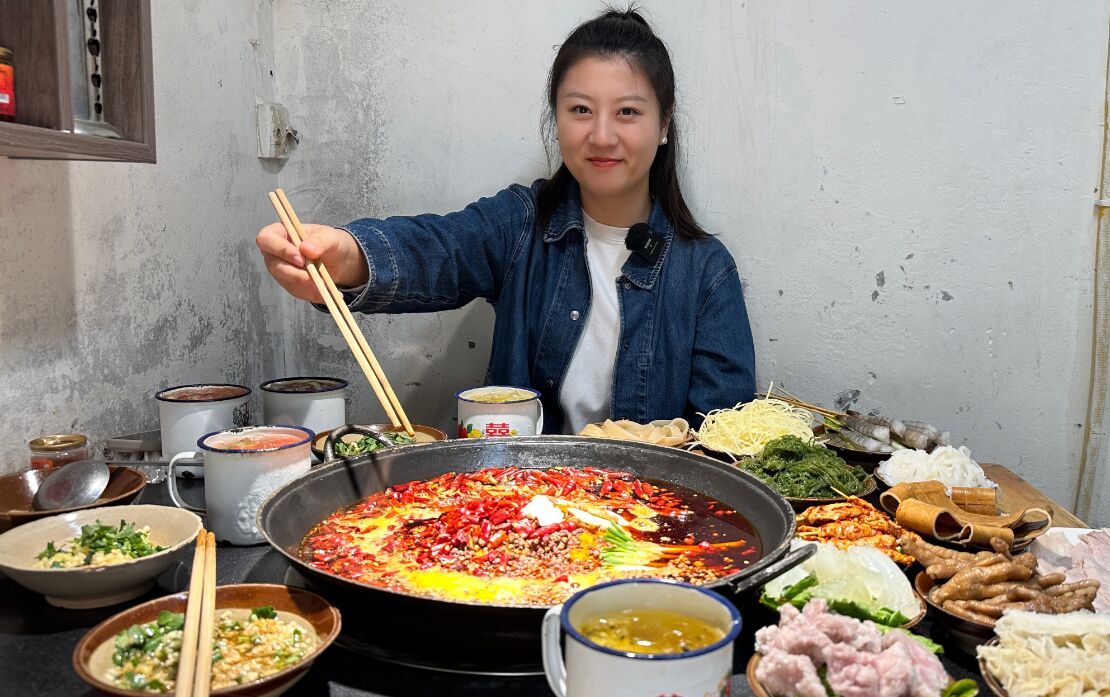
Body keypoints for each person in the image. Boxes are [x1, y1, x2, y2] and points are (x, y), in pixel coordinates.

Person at [255, 9, 756, 434]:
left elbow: (723, 443)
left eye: (628, 112)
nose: (602, 136)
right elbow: (442, 247)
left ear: (664, 124)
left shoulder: (705, 272)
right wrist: (348, 256)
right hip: (513, 513)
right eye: (581, 109)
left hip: (647, 528)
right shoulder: (521, 224)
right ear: (556, 117)